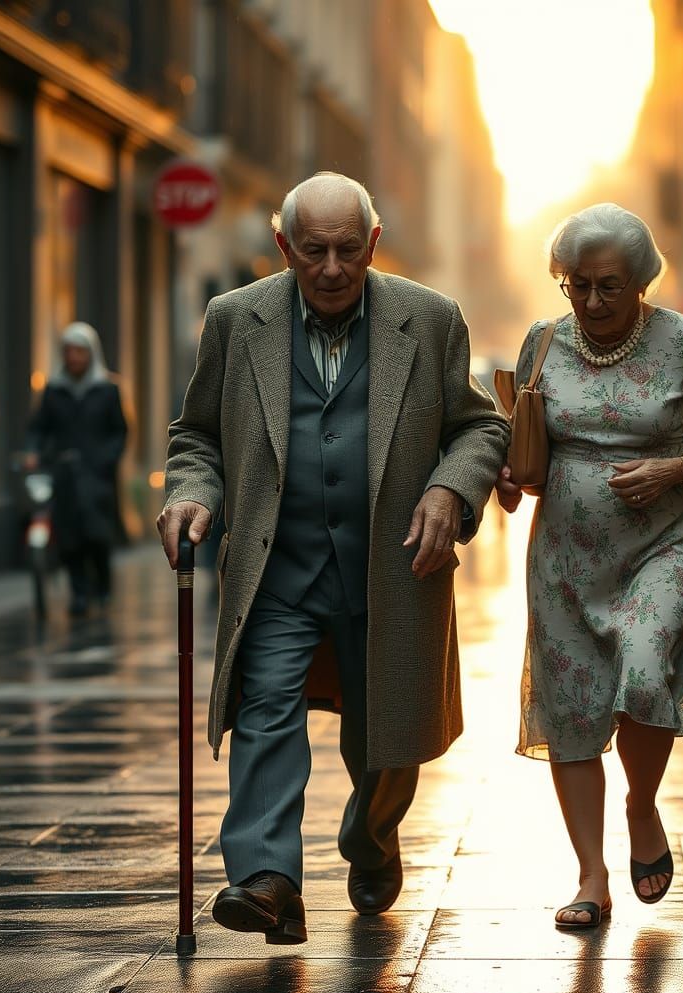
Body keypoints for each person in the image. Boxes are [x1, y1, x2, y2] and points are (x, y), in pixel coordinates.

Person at [158, 172, 508, 945]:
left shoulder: (431, 319)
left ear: (372, 244)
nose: (330, 268)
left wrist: (450, 491)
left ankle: (370, 839)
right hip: (275, 571)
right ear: (283, 246)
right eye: (312, 250)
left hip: (394, 573)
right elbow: (198, 436)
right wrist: (191, 493)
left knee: (388, 744)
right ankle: (267, 877)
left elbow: (481, 428)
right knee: (265, 711)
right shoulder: (233, 320)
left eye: (348, 250)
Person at [495, 204, 683, 928]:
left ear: (640, 281)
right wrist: (509, 479)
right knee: (572, 711)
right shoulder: (544, 341)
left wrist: (674, 469)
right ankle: (589, 876)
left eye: (609, 285)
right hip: (566, 560)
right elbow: (523, 445)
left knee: (645, 673)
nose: (593, 301)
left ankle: (642, 807)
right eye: (578, 284)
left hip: (661, 549)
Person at [25, 322, 128, 617]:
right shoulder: (53, 390)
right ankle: (79, 593)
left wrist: (106, 459)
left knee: (97, 534)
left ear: (91, 353)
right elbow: (38, 428)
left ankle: (103, 586)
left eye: (80, 351)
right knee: (69, 537)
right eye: (69, 351)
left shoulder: (108, 390)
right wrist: (35, 452)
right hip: (65, 473)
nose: (74, 358)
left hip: (98, 477)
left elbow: (119, 432)